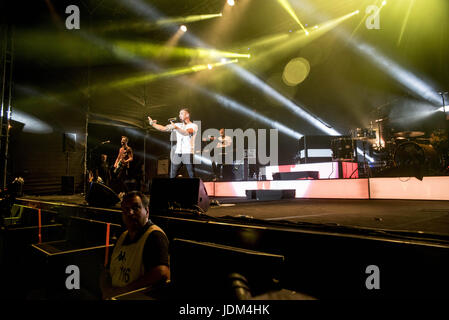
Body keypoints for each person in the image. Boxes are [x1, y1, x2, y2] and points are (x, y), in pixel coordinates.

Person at [100, 191, 170, 299]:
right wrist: (106, 290)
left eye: (135, 207)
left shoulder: (154, 236)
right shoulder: (123, 236)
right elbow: (107, 270)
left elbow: (162, 272)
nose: (130, 212)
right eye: (126, 209)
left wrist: (121, 292)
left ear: (147, 211)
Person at [148, 108, 198, 178]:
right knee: (172, 175)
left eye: (181, 113)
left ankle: (196, 188)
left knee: (191, 174)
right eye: (179, 113)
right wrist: (153, 124)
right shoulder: (178, 125)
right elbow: (163, 128)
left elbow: (186, 133)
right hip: (178, 153)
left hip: (188, 153)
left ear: (187, 114)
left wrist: (176, 128)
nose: (179, 115)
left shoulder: (193, 125)